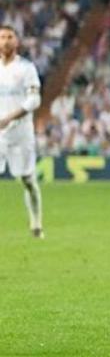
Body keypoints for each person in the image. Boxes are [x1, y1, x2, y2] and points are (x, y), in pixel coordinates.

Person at [0, 26, 44, 238]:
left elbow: (35, 99)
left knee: (27, 179)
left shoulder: (26, 68)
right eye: (2, 37)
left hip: (21, 131)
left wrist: (9, 117)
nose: (6, 41)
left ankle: (36, 223)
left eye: (10, 37)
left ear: (16, 41)